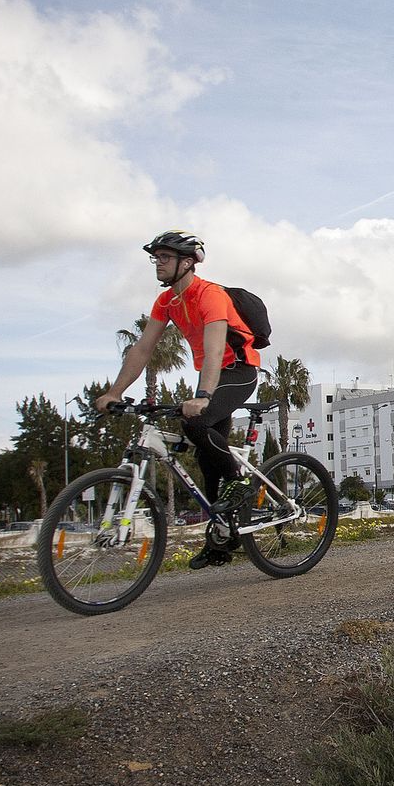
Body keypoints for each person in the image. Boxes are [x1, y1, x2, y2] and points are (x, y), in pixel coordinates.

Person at [95, 230, 262, 569]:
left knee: (195, 423)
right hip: (211, 377)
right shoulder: (166, 301)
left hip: (237, 372)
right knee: (206, 456)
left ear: (187, 263)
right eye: (156, 257)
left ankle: (239, 483)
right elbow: (143, 349)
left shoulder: (210, 295)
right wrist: (115, 392)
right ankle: (221, 538)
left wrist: (203, 396)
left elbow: (214, 350)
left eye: (165, 257)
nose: (158, 263)